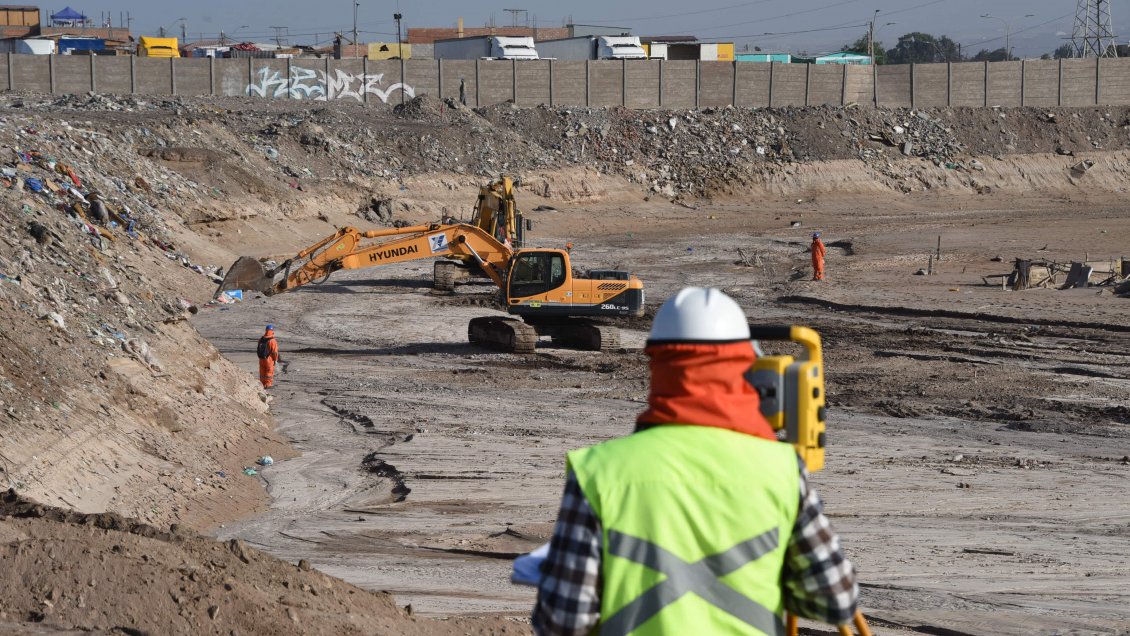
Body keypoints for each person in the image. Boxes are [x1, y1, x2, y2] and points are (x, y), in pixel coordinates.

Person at [533, 287, 857, 635]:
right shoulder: (781, 470)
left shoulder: (599, 471)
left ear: (657, 366)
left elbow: (564, 621)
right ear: (748, 369)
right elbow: (835, 601)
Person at [257, 324, 280, 389]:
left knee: (262, 371)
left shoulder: (261, 339)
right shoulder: (272, 340)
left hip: (261, 359)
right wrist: (275, 359)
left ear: (266, 330)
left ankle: (262, 384)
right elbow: (274, 352)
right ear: (272, 330)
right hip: (269, 359)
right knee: (269, 372)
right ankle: (268, 384)